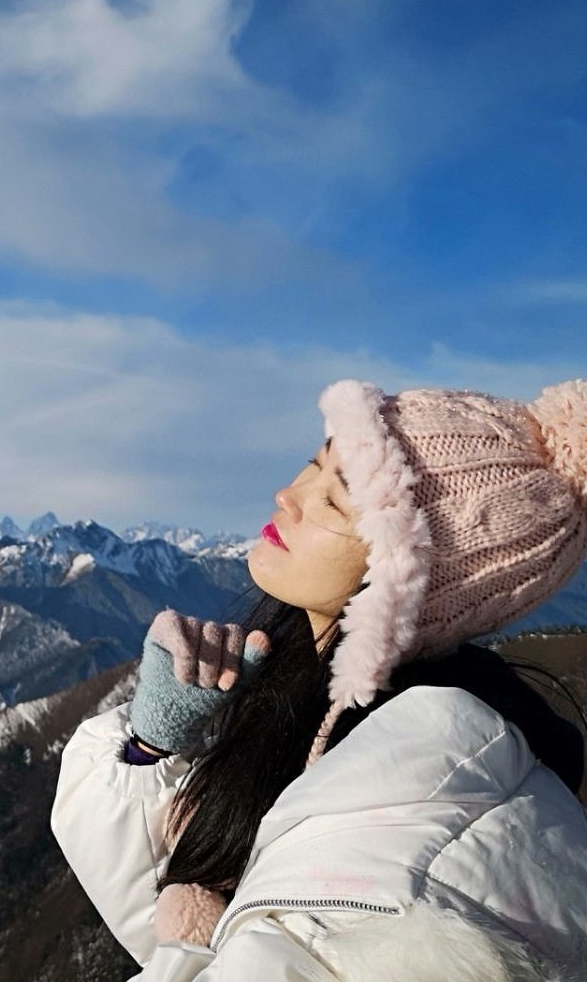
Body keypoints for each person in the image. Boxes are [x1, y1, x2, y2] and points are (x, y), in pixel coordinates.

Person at [52, 378, 587, 981]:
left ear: (407, 580)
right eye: (313, 464)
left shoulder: (408, 820)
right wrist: (151, 745)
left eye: (333, 502)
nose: (288, 496)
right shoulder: (302, 684)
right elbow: (206, 936)